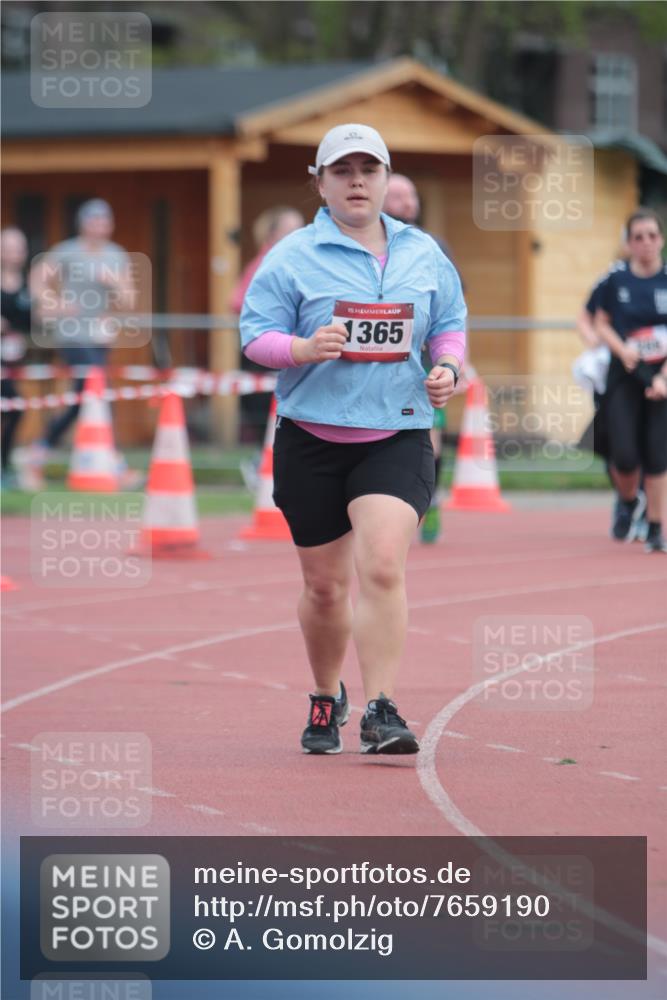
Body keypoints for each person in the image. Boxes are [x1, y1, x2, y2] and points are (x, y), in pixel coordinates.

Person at [240, 124, 466, 755]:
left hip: (396, 430)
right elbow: (255, 335)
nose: (358, 180)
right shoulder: (290, 256)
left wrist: (447, 368)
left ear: (388, 179)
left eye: (370, 168)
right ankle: (325, 694)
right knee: (325, 586)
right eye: (343, 170)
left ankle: (382, 708)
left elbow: (448, 325)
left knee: (383, 564)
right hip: (311, 436)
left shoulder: (423, 253)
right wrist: (303, 348)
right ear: (320, 182)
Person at [19, 199, 136, 487]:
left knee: (83, 398)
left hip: (98, 336)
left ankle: (37, 452)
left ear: (110, 225)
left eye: (104, 220)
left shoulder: (116, 255)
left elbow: (129, 299)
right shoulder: (67, 252)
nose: (99, 226)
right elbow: (36, 279)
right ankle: (116, 464)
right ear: (83, 224)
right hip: (72, 334)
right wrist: (54, 302)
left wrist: (114, 283)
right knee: (97, 390)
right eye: (93, 220)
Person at [383, 173, 465, 543]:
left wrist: (456, 363)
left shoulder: (435, 247)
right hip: (380, 366)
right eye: (399, 196)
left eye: (412, 195)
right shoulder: (372, 246)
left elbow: (455, 312)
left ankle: (426, 503)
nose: (408, 203)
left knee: (429, 437)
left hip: (427, 363)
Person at [594, 208, 667, 553]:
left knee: (657, 454)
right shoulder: (617, 280)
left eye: (652, 235)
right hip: (624, 373)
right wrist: (622, 350)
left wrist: (664, 377)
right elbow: (600, 322)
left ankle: (655, 528)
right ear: (629, 243)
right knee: (623, 455)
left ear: (661, 240)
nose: (646, 242)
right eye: (638, 237)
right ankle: (627, 501)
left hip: (662, 377)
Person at [1, 227, 32, 489]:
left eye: (17, 249)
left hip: (11, 363)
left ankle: (5, 465)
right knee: (13, 406)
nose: (13, 254)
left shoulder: (27, 285)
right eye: (7, 248)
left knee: (14, 409)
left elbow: (31, 323)